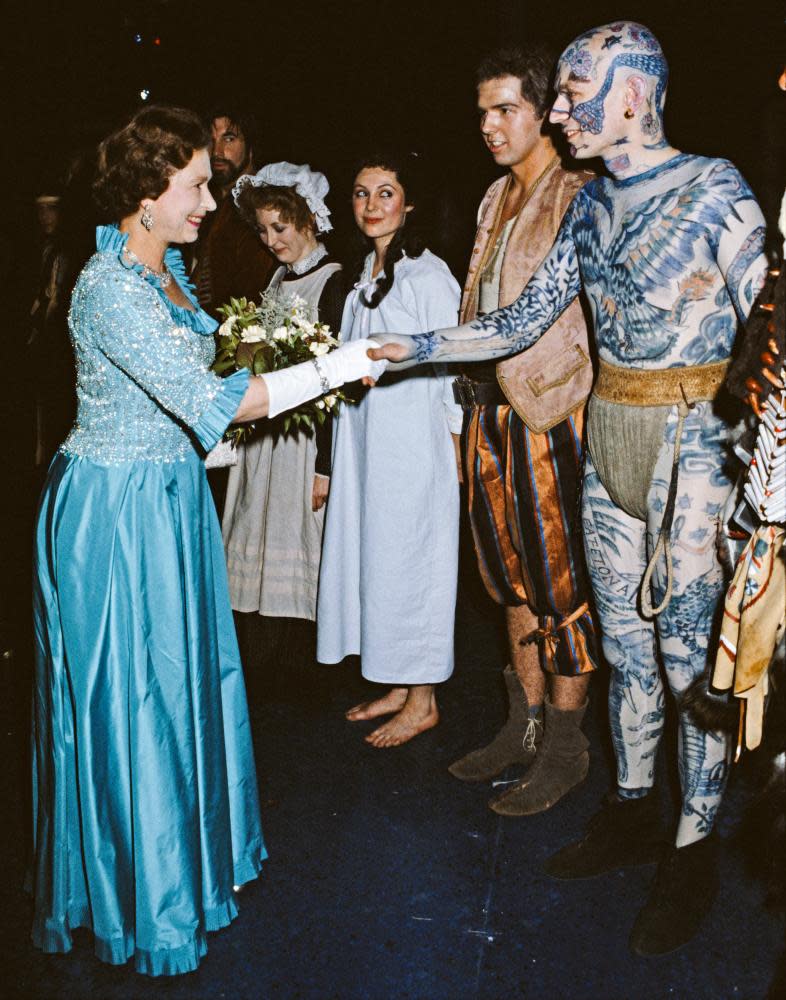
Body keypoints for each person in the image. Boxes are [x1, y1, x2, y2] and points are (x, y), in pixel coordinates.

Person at [370, 22, 768, 954]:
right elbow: (519, 319)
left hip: (692, 453)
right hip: (611, 441)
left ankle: (692, 848)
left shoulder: (717, 191)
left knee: (686, 672)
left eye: (574, 90)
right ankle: (633, 810)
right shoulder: (590, 207)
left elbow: (774, 332)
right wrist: (415, 349)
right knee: (624, 652)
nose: (556, 109)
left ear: (633, 95)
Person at [30, 104, 384, 976]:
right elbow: (221, 403)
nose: (208, 202)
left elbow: (204, 382)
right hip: (114, 517)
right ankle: (141, 899)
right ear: (146, 196)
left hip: (170, 497)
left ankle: (187, 861)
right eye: (195, 186)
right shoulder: (109, 289)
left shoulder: (166, 267)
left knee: (182, 685)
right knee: (130, 704)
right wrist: (344, 362)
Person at [446, 43, 600, 817]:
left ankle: (568, 747)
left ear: (545, 113)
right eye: (482, 112)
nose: (490, 125)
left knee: (560, 581)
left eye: (506, 109)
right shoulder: (490, 198)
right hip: (487, 413)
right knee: (505, 578)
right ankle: (526, 726)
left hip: (550, 415)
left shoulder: (580, 193)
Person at [317, 152, 463, 748]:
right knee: (380, 560)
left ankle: (424, 699)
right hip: (367, 445)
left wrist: (453, 445)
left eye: (385, 193)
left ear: (410, 203)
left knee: (415, 560)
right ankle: (400, 682)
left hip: (414, 445)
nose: (372, 206)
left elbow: (454, 361)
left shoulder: (429, 276)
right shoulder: (364, 277)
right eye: (361, 193)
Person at [222, 163, 342, 626]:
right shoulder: (277, 277)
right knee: (258, 528)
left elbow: (335, 379)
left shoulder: (332, 280)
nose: (271, 240)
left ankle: (301, 661)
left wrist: (325, 467)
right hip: (267, 433)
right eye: (263, 230)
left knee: (297, 537)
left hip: (302, 440)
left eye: (280, 227)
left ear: (309, 219)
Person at [191, 108, 275, 317]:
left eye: (229, 139)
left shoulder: (262, 206)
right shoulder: (207, 201)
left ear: (251, 146)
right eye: (212, 140)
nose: (217, 151)